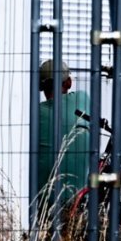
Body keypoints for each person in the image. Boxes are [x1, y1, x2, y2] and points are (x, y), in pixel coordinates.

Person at [37, 59, 91, 208]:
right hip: (80, 198)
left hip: (44, 200)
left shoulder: (35, 113)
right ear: (68, 83)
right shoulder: (83, 99)